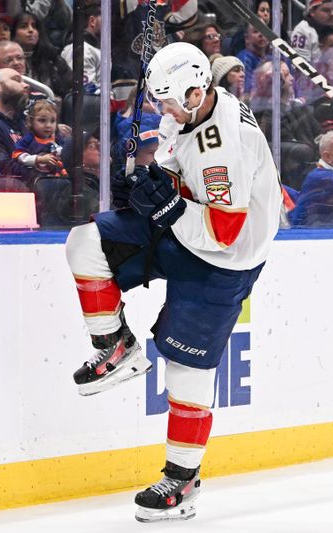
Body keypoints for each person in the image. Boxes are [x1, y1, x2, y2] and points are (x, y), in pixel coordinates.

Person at [64, 42, 281, 522]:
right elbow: (178, 168)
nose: (160, 110)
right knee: (86, 243)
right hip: (188, 227)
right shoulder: (189, 110)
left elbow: (224, 233)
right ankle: (115, 345)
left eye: (165, 101)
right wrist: (149, 184)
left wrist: (167, 205)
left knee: (187, 371)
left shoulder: (223, 145)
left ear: (194, 90)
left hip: (225, 261)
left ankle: (180, 481)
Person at [12, 12, 71, 98]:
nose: (31, 30)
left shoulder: (51, 57)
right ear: (13, 33)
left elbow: (69, 84)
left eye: (34, 26)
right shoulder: (8, 59)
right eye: (23, 26)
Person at [12, 98, 66, 189]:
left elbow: (66, 153)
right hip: (35, 182)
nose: (48, 125)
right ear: (30, 121)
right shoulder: (28, 140)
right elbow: (18, 155)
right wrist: (38, 159)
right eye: (42, 120)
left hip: (57, 180)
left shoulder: (58, 139)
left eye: (52, 121)